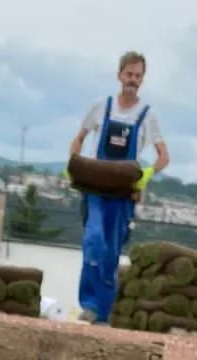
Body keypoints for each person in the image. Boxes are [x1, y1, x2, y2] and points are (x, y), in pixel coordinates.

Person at [67, 51, 169, 324]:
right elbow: (78, 139)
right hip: (96, 190)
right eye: (129, 74)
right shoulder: (101, 106)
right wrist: (74, 165)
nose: (132, 80)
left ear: (142, 79)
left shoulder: (148, 116)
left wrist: (145, 176)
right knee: (93, 241)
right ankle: (88, 304)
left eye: (138, 76)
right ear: (119, 75)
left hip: (124, 194)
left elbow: (163, 157)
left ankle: (102, 313)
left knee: (111, 252)